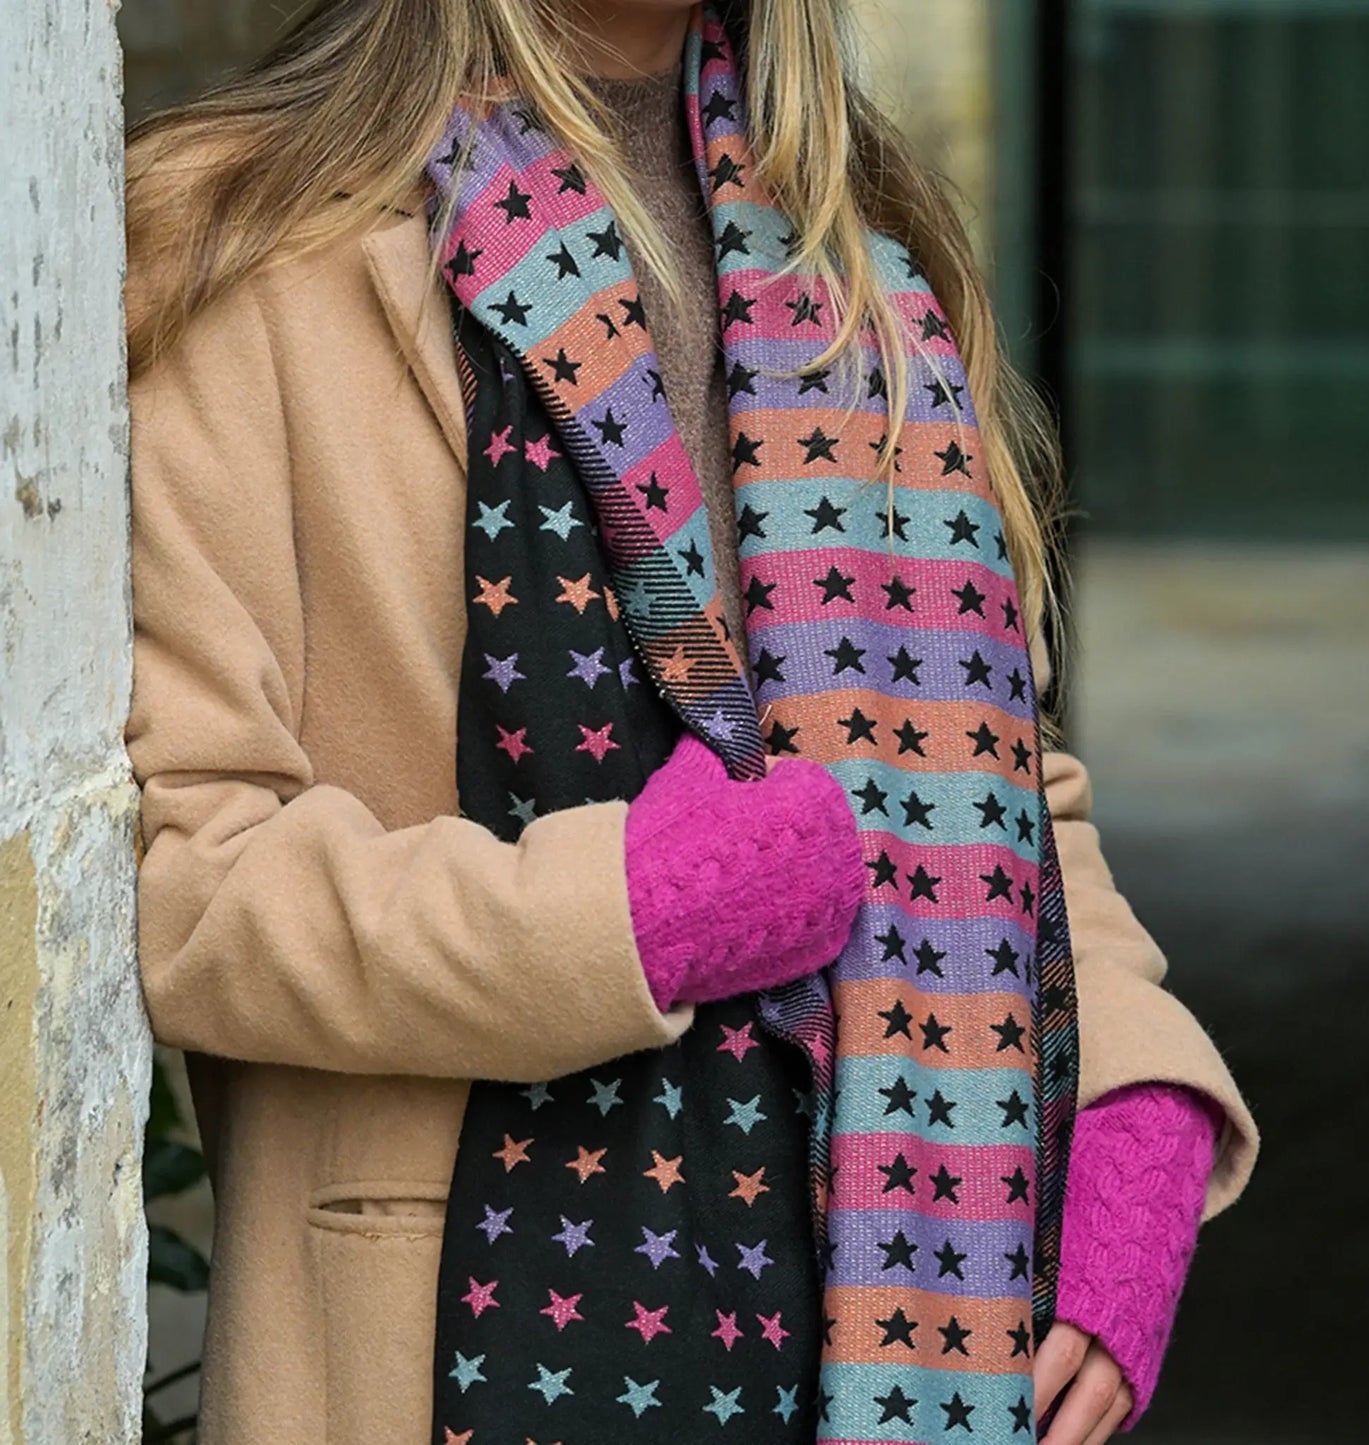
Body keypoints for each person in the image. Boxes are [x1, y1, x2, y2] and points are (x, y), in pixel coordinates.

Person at [123, 2, 1258, 1443]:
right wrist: (630, 915)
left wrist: (1128, 1100)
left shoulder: (864, 241)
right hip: (453, 1342)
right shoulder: (242, 232)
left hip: (902, 1325)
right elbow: (180, 877)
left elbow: (1002, 791)